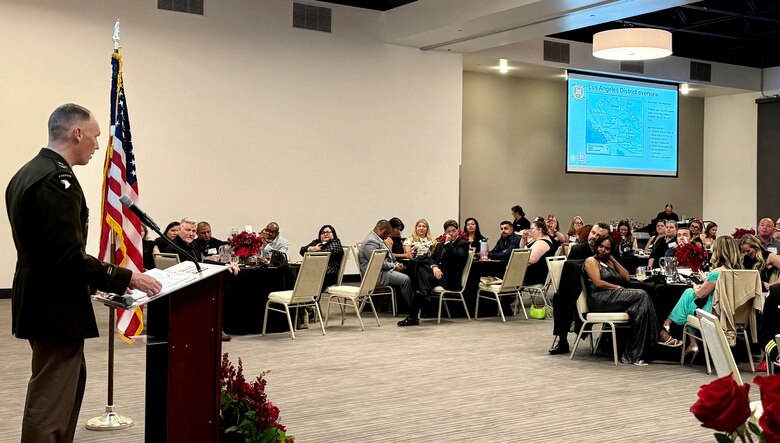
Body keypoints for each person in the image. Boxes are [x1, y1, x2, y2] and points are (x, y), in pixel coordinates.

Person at [5, 103, 163, 443]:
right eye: (93, 137)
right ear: (77, 133)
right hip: (55, 306)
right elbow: (67, 258)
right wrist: (127, 277)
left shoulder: (28, 173)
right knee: (50, 403)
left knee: (61, 394)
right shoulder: (56, 180)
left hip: (42, 301)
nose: (95, 145)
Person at [584, 235, 681, 366]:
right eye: (601, 246)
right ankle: (659, 334)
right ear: (596, 246)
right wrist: (617, 288)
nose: (602, 250)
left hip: (614, 297)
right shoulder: (591, 260)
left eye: (607, 248)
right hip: (599, 299)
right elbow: (598, 283)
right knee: (641, 295)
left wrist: (613, 258)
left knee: (639, 308)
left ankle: (632, 355)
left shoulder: (609, 260)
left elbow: (626, 277)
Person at [662, 236, 743, 355]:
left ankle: (670, 323)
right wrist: (706, 280)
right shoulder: (741, 272)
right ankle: (689, 340)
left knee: (689, 295)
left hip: (714, 313)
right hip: (736, 313)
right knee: (690, 301)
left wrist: (695, 285)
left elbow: (700, 294)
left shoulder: (717, 272)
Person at [397, 220, 469, 327]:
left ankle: (414, 314)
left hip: (450, 278)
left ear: (458, 231)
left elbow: (459, 257)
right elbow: (431, 259)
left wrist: (449, 244)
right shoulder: (440, 245)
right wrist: (435, 267)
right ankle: (419, 304)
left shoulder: (463, 244)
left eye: (454, 231)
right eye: (448, 231)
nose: (451, 233)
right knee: (421, 267)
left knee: (422, 282)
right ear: (445, 232)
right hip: (437, 275)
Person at [359, 220, 414, 309]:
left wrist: (397, 263)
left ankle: (404, 306)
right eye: (387, 233)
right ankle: (412, 308)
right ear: (380, 229)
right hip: (375, 275)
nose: (388, 235)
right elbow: (378, 263)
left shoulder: (378, 239)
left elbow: (390, 256)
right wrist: (394, 266)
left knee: (411, 272)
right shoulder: (370, 242)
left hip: (383, 270)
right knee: (405, 279)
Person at [299, 224, 344, 289]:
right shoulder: (317, 242)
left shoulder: (335, 243)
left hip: (328, 275)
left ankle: (310, 297)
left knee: (307, 281)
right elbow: (302, 250)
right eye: (323, 233)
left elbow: (323, 254)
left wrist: (314, 250)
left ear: (333, 234)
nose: (325, 234)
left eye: (328, 232)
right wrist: (310, 249)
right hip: (315, 272)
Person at [519, 217, 555, 285]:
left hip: (536, 276)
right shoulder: (537, 239)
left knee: (505, 271)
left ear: (539, 230)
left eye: (532, 228)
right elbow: (521, 247)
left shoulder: (542, 242)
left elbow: (529, 259)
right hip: (535, 272)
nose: (530, 231)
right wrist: (524, 238)